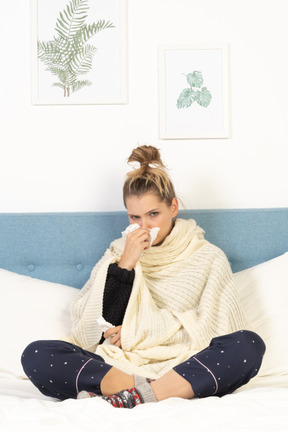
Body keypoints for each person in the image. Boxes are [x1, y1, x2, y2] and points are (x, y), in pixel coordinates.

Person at [22, 145, 265, 408]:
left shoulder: (207, 257)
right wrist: (127, 262)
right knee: (37, 354)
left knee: (248, 345)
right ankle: (147, 391)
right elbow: (99, 325)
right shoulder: (118, 253)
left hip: (185, 364)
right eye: (135, 217)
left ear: (173, 207)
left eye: (153, 214)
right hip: (121, 364)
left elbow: (217, 330)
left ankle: (132, 395)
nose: (145, 226)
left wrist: (138, 334)